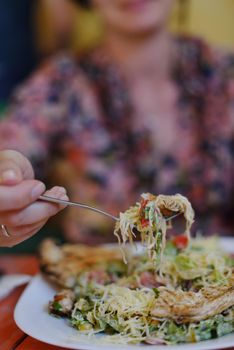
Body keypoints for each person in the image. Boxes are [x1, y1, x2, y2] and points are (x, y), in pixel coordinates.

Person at [0, 0, 233, 248]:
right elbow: (12, 148)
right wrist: (8, 177)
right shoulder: (60, 83)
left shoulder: (224, 74)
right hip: (97, 276)